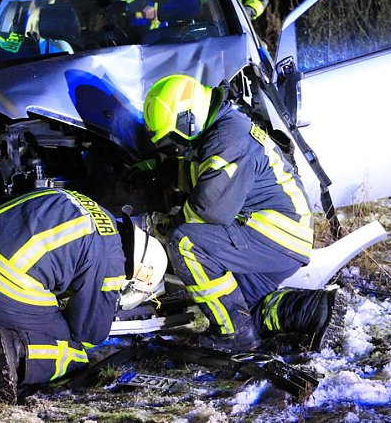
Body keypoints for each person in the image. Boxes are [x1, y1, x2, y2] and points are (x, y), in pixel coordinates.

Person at [139, 74, 346, 353]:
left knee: (186, 241)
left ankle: (233, 334)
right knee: (241, 307)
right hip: (279, 238)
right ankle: (315, 309)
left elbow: (209, 211)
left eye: (174, 137)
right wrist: (158, 173)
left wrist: (166, 228)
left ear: (189, 118)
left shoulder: (228, 138)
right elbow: (200, 175)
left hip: (272, 235)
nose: (175, 145)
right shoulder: (222, 130)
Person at [0, 188, 127, 403]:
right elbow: (90, 331)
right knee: (74, 352)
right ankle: (16, 348)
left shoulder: (65, 195)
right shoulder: (110, 246)